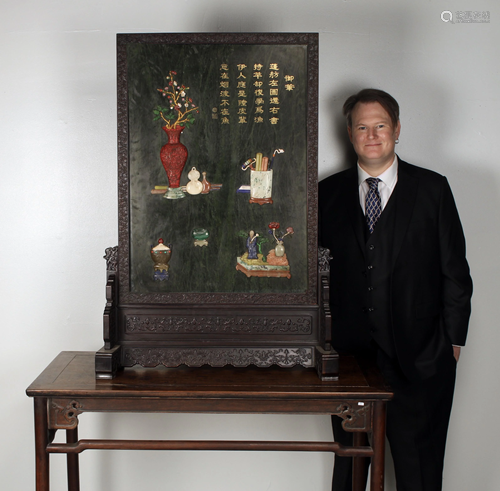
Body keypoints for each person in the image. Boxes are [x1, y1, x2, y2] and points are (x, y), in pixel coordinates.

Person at [318, 89, 472, 491]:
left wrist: (452, 341)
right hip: (349, 360)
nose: (372, 135)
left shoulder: (432, 190)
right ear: (349, 134)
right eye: (362, 127)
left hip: (421, 356)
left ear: (397, 129)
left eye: (380, 125)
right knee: (350, 464)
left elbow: (456, 272)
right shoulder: (325, 194)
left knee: (418, 468)